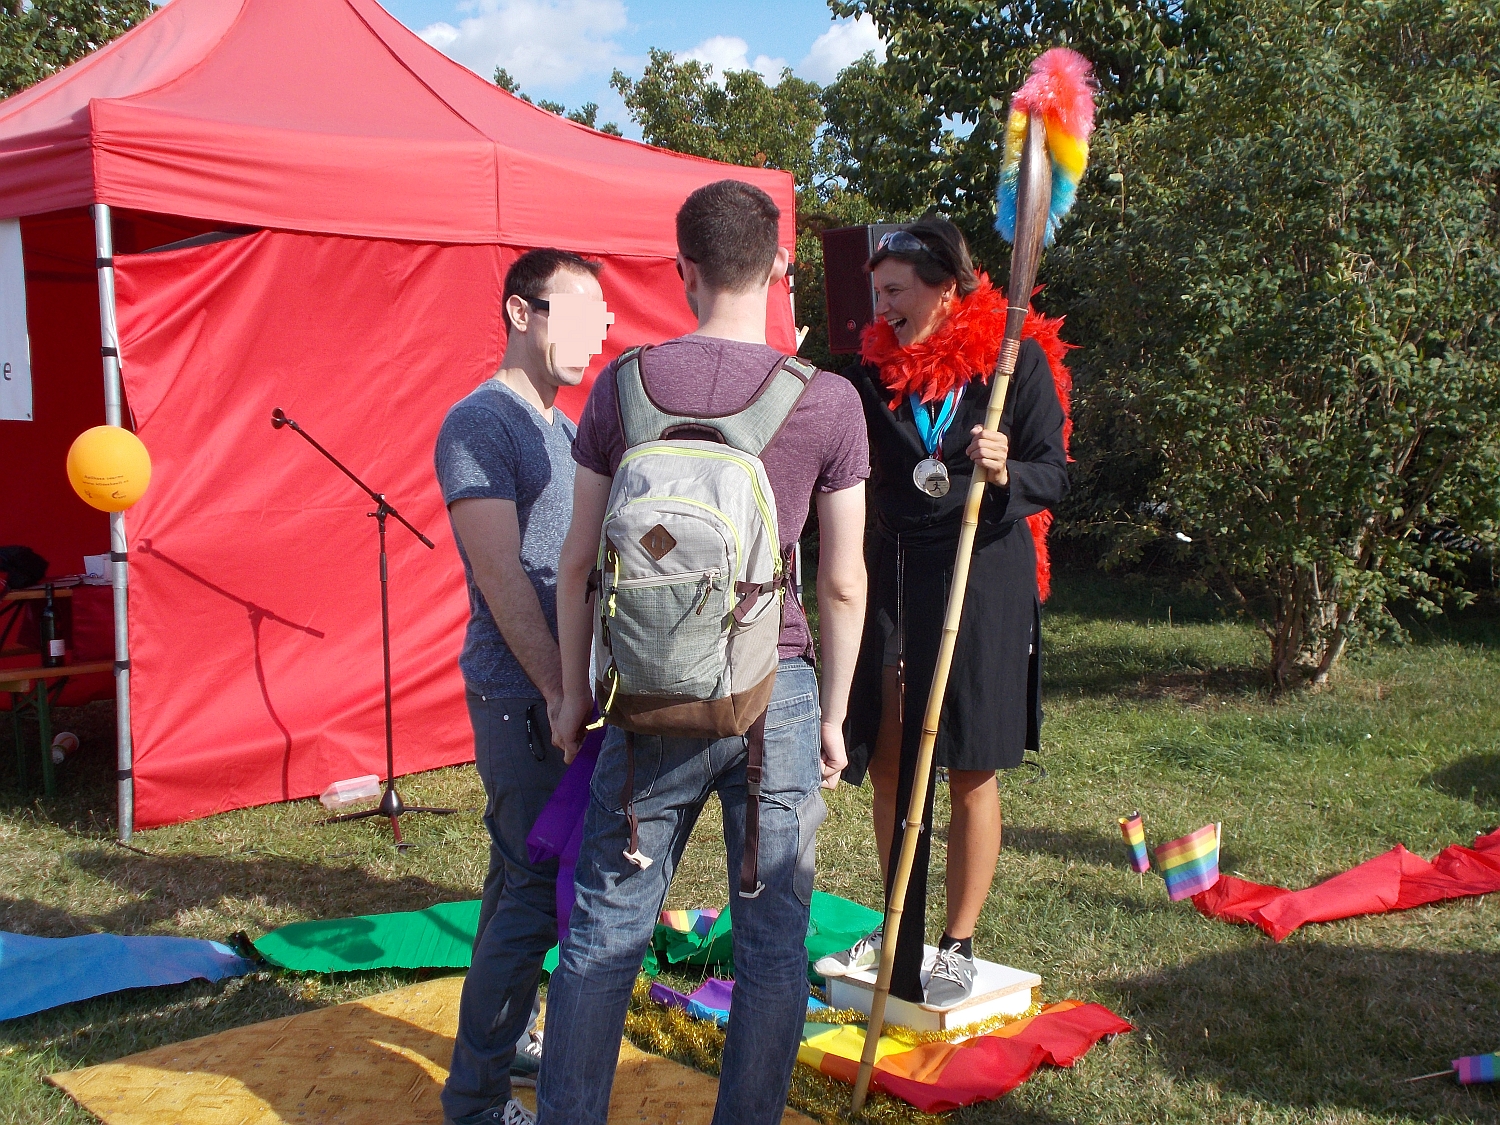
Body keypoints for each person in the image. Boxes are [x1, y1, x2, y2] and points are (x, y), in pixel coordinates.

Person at [539, 179, 869, 1125]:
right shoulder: (828, 402)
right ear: (777, 268)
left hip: (647, 696)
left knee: (605, 929)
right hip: (779, 692)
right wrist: (836, 717)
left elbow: (575, 564)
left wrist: (572, 696)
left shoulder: (623, 386)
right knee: (770, 942)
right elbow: (842, 582)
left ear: (680, 269)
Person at [815, 217, 1069, 1009]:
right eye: (876, 291)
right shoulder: (865, 374)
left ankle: (957, 938)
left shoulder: (1010, 365)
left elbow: (1054, 474)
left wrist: (1005, 468)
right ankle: (899, 922)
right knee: (891, 755)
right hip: (894, 572)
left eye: (893, 290)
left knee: (966, 760)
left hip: (981, 577)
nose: (879, 305)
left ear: (943, 287)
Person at [434, 248, 609, 1125]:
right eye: (577, 315)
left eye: (603, 320)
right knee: (532, 894)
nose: (594, 335)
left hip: (561, 695)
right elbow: (502, 576)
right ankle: (475, 1101)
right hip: (523, 696)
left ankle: (499, 1052)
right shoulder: (480, 423)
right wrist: (558, 689)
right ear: (519, 312)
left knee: (517, 888)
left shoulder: (565, 427)